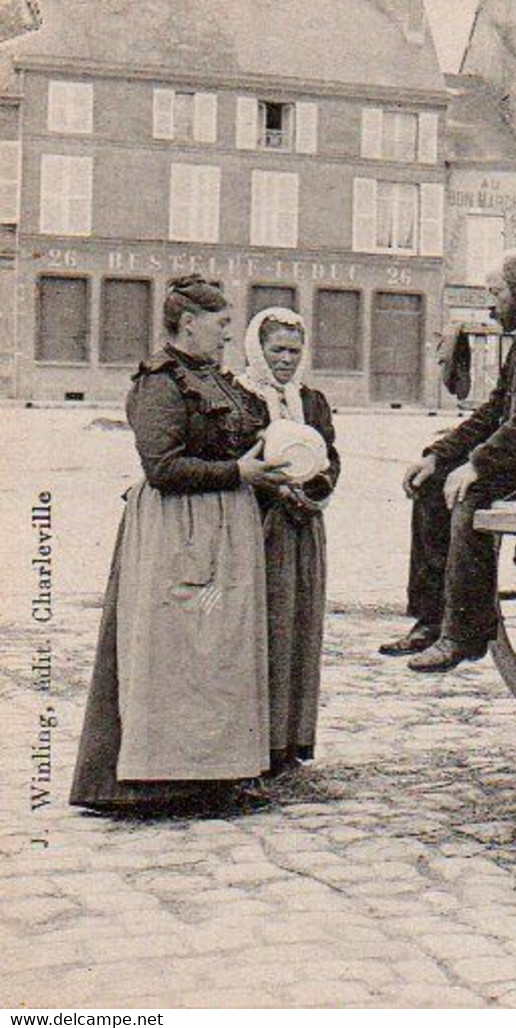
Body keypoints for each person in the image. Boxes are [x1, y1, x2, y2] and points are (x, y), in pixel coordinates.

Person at [70, 276, 291, 811]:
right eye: (220, 325)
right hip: (177, 528)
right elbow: (161, 466)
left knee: (219, 651)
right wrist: (238, 471)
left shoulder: (213, 378)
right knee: (178, 652)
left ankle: (215, 775)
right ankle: (163, 782)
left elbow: (247, 430)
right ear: (188, 323)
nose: (226, 335)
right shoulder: (161, 381)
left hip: (225, 521)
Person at [380, 253, 516, 672]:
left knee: (471, 494)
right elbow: (496, 409)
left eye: (496, 293)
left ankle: (464, 634)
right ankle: (432, 620)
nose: (491, 304)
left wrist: (478, 464)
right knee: (432, 483)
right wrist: (439, 455)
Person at [238, 307, 341, 775]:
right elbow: (237, 457)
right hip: (260, 526)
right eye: (276, 350)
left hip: (303, 524)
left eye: (294, 352)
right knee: (264, 626)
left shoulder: (312, 401)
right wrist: (275, 488)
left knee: (300, 624)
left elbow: (331, 457)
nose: (285, 360)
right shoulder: (240, 397)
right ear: (257, 351)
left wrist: (314, 490)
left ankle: (292, 740)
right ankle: (258, 741)